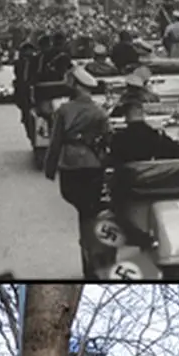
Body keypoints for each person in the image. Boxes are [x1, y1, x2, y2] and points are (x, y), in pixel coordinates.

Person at [43, 65, 111, 278]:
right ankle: (91, 256)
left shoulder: (64, 110)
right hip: (92, 165)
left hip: (70, 164)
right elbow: (108, 139)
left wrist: (50, 167)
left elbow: (55, 141)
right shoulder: (99, 111)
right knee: (89, 213)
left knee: (81, 210)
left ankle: (88, 254)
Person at [108, 91, 179, 167]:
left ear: (126, 117)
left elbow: (112, 162)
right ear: (143, 114)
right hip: (153, 179)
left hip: (129, 180)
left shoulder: (118, 140)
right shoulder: (158, 137)